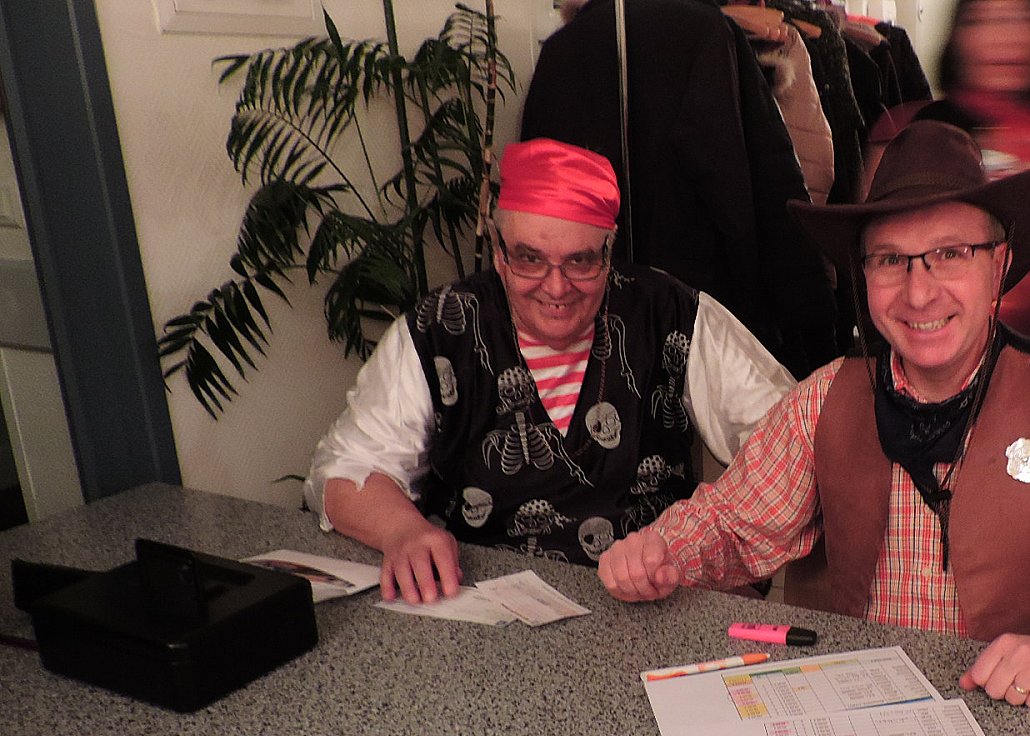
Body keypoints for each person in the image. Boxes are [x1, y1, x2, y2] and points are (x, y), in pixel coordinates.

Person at [599, 121, 1030, 708]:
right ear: (864, 277)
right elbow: (733, 526)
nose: (918, 291)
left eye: (950, 253)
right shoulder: (823, 401)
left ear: (998, 265)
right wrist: (663, 551)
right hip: (863, 714)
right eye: (890, 260)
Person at [305, 139, 795, 604]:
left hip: (653, 599)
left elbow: (792, 442)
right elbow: (344, 469)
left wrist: (695, 541)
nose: (556, 288)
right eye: (529, 259)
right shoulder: (440, 328)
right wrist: (402, 531)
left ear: (608, 254)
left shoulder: (670, 312)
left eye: (580, 261)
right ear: (500, 253)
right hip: (478, 604)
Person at [863, 0, 1030, 342]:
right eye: (983, 20)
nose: (1006, 36)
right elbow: (866, 257)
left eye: (1022, 19)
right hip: (921, 338)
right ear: (957, 38)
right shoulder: (907, 129)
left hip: (1027, 344)